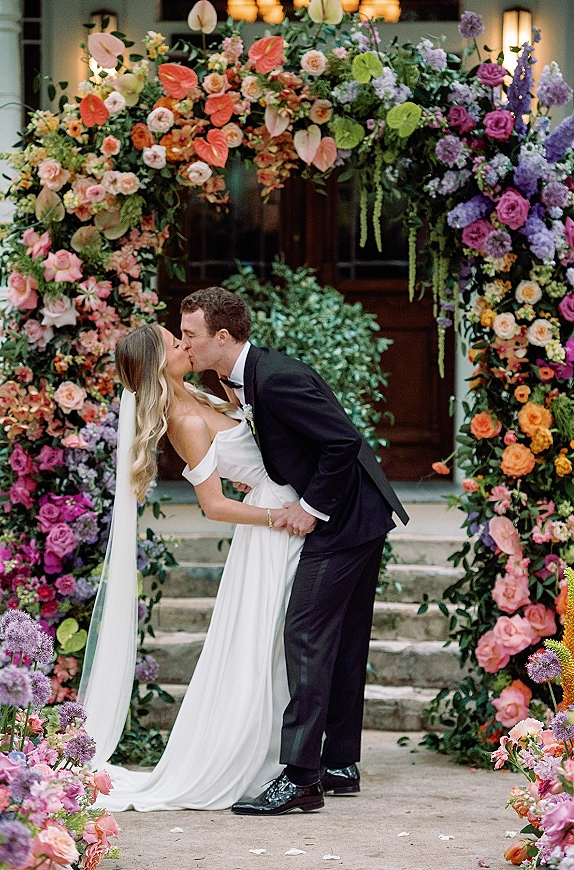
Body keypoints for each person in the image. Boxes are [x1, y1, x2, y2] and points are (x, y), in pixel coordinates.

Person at [180, 286, 409, 816]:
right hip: (358, 514)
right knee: (345, 639)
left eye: (191, 334)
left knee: (305, 634)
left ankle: (303, 778)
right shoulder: (246, 376)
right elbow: (293, 442)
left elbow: (342, 441)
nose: (186, 344)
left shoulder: (276, 378)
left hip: (345, 518)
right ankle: (340, 765)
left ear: (222, 335)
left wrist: (308, 507)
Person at [80, 322, 311, 811]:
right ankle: (270, 761)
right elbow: (214, 505)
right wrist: (280, 516)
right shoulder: (184, 422)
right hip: (274, 529)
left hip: (279, 506)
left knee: (280, 642)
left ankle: (290, 757)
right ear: (159, 364)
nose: (184, 344)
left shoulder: (207, 394)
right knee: (267, 643)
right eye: (173, 342)